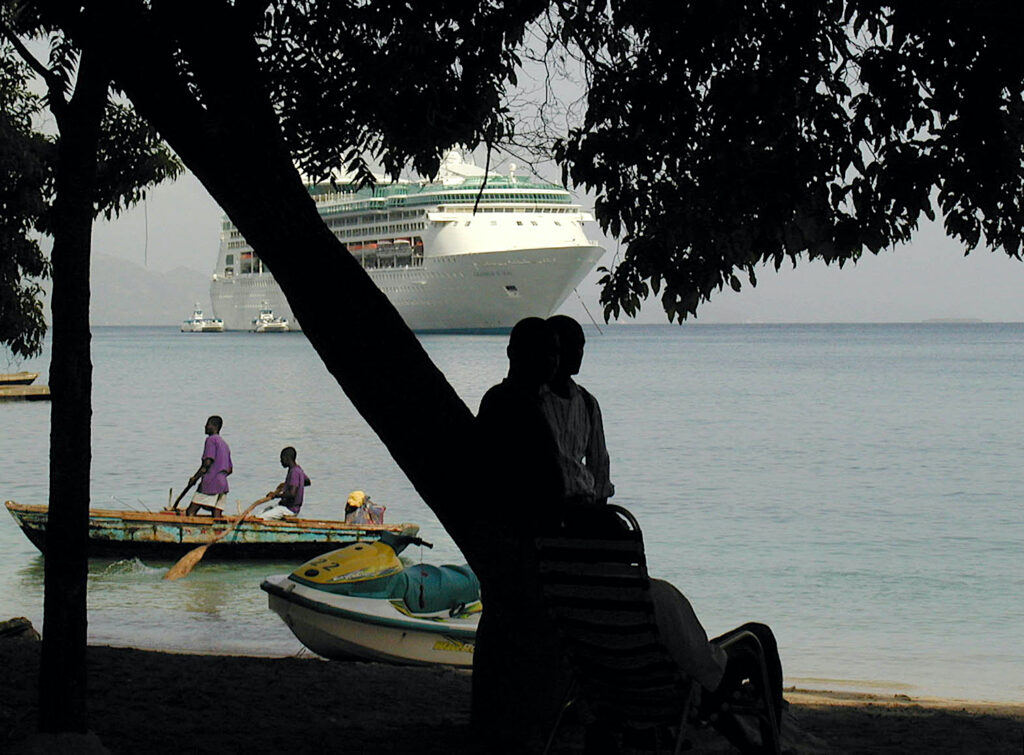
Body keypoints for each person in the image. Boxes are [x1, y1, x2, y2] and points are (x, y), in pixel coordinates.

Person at [543, 315, 614, 505]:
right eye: (571, 345)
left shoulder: (587, 402)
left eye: (581, 346)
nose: (578, 353)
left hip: (583, 503)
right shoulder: (533, 401)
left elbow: (599, 463)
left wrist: (598, 508)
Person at [180, 415, 232, 517]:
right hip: (223, 485)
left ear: (215, 426)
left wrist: (195, 478)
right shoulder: (224, 444)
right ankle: (216, 532)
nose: (205, 426)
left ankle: (188, 531)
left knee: (190, 512)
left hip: (211, 482)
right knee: (217, 517)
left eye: (208, 424)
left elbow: (207, 463)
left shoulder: (211, 440)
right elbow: (230, 469)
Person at [259, 446, 311, 520]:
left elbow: (292, 494)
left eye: (281, 459)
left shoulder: (294, 472)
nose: (281, 461)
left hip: (289, 509)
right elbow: (307, 482)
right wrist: (287, 484)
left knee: (260, 518)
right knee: (260, 513)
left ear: (287, 458)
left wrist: (275, 495)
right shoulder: (298, 469)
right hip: (285, 507)